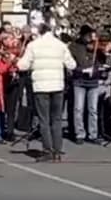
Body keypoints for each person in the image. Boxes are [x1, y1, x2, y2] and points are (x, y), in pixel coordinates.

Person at [16, 22, 76, 162]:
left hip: (41, 86)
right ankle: (57, 151)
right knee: (56, 119)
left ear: (40, 32)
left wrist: (17, 61)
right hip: (57, 85)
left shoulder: (33, 45)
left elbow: (23, 65)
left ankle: (47, 150)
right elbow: (72, 64)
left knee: (44, 120)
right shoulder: (60, 45)